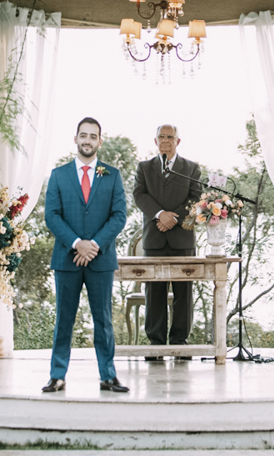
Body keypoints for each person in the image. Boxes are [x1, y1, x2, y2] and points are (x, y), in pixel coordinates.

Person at [43, 117, 129, 393]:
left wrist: (93, 245)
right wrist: (76, 243)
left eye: (93, 136)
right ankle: (57, 375)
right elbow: (52, 215)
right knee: (64, 320)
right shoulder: (59, 175)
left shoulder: (112, 175)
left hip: (100, 260)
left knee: (103, 320)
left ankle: (108, 375)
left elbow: (119, 216)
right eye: (83, 135)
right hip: (66, 259)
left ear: (99, 141)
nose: (88, 140)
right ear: (76, 139)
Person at [133, 124, 202, 357]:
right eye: (161, 136)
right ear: (155, 141)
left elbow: (196, 198)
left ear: (177, 141)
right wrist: (159, 214)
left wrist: (172, 218)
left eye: (169, 137)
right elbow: (139, 195)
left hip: (183, 239)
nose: (165, 140)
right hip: (154, 240)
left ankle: (180, 343)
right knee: (154, 293)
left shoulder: (191, 168)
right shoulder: (144, 168)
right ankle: (156, 344)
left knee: (184, 293)